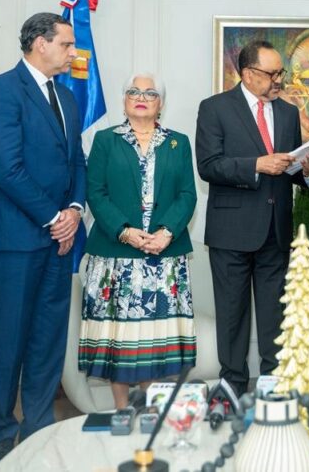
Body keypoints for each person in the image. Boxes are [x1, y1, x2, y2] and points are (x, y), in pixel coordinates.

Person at [0, 13, 87, 468]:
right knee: (11, 340)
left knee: (47, 339)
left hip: (60, 240)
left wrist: (75, 212)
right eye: (66, 44)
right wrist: (52, 218)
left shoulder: (67, 96)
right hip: (19, 238)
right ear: (40, 44)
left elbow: (76, 162)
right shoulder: (1, 90)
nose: (73, 52)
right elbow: (6, 169)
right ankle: (1, 433)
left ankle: (39, 428)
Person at [195, 40, 309, 395]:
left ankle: (272, 386)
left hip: (275, 232)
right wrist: (256, 165)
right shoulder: (215, 108)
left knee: (274, 320)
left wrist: (308, 169)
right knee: (232, 317)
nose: (279, 79)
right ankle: (232, 388)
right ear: (249, 75)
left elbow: (291, 170)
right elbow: (208, 166)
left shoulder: (285, 112)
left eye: (281, 72)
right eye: (272, 73)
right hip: (231, 231)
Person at [79, 73, 197, 408]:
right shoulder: (105, 140)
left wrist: (166, 233)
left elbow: (188, 195)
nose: (140, 96)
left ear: (160, 103)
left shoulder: (178, 142)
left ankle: (149, 409)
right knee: (119, 337)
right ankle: (121, 410)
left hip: (164, 258)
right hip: (115, 257)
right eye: (133, 91)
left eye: (149, 92)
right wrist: (125, 230)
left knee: (154, 340)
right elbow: (96, 193)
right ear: (124, 100)